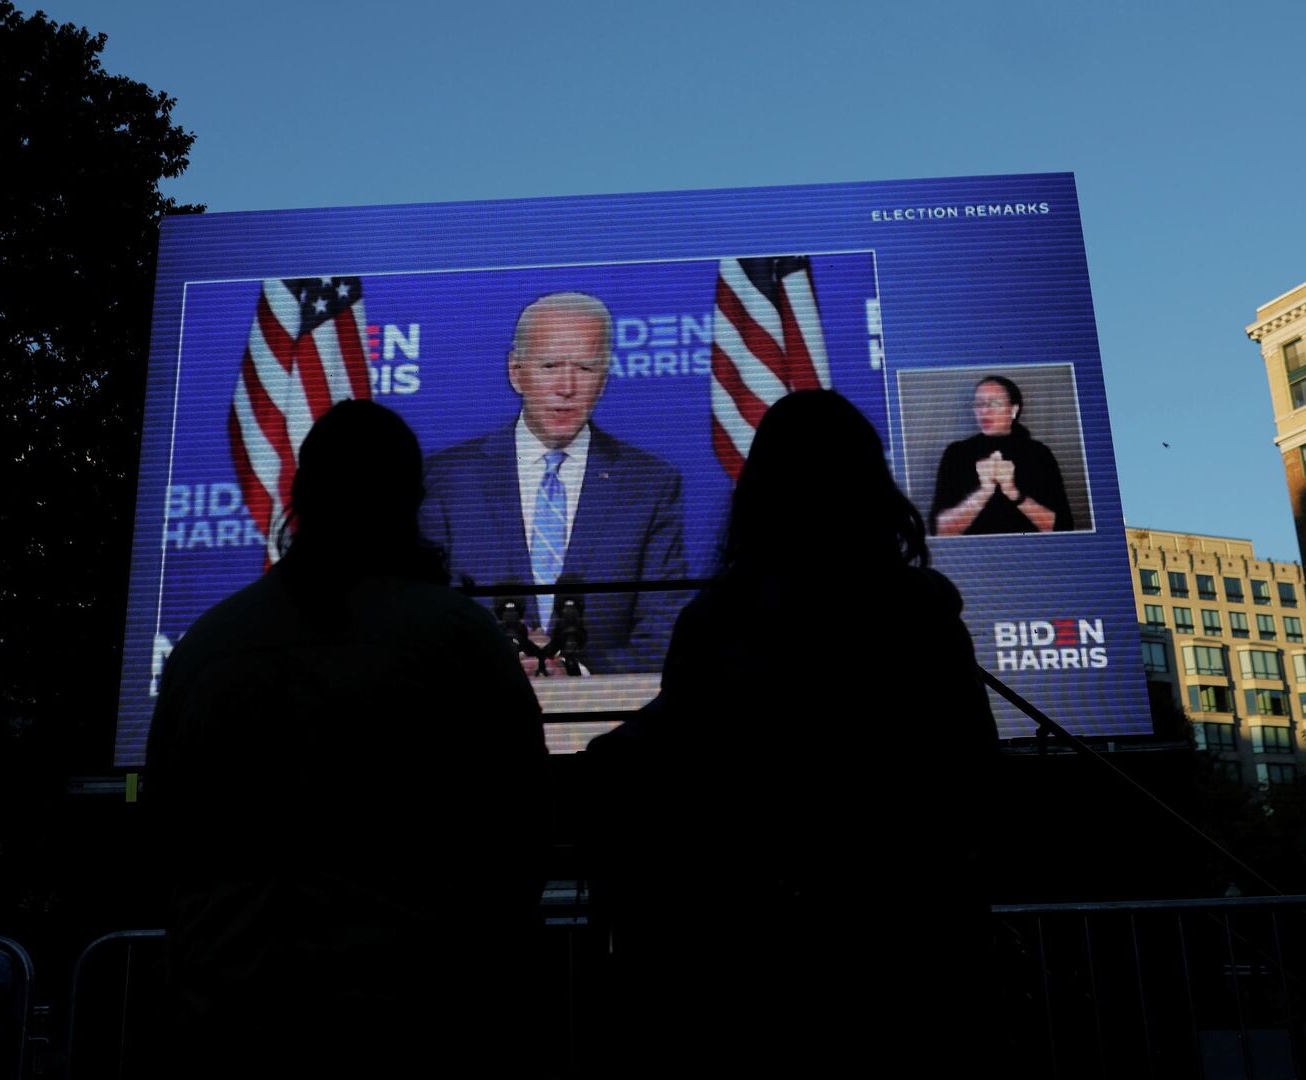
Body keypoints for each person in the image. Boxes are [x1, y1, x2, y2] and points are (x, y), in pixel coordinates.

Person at [589, 390, 999, 1076]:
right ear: (871, 485)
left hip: (749, 975)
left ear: (759, 488)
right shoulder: (919, 620)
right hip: (907, 967)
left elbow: (682, 783)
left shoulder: (717, 625)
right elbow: (974, 782)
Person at [147, 400, 548, 1078]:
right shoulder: (458, 641)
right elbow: (520, 839)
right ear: (411, 502)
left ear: (301, 497)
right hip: (410, 1024)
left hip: (226, 1025)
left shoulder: (205, 649)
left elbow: (164, 836)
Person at [419, 291, 686, 674]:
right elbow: (423, 627)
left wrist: (578, 671)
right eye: (549, 366)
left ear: (605, 376)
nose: (566, 387)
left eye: (584, 368)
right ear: (516, 372)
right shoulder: (447, 480)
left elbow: (665, 635)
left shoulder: (650, 484)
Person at [929, 374, 1075, 536]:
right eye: (979, 404)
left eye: (995, 403)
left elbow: (1064, 527)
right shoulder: (956, 453)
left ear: (1014, 410)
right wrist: (983, 492)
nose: (984, 410)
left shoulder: (1039, 454)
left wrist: (1012, 492)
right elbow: (939, 531)